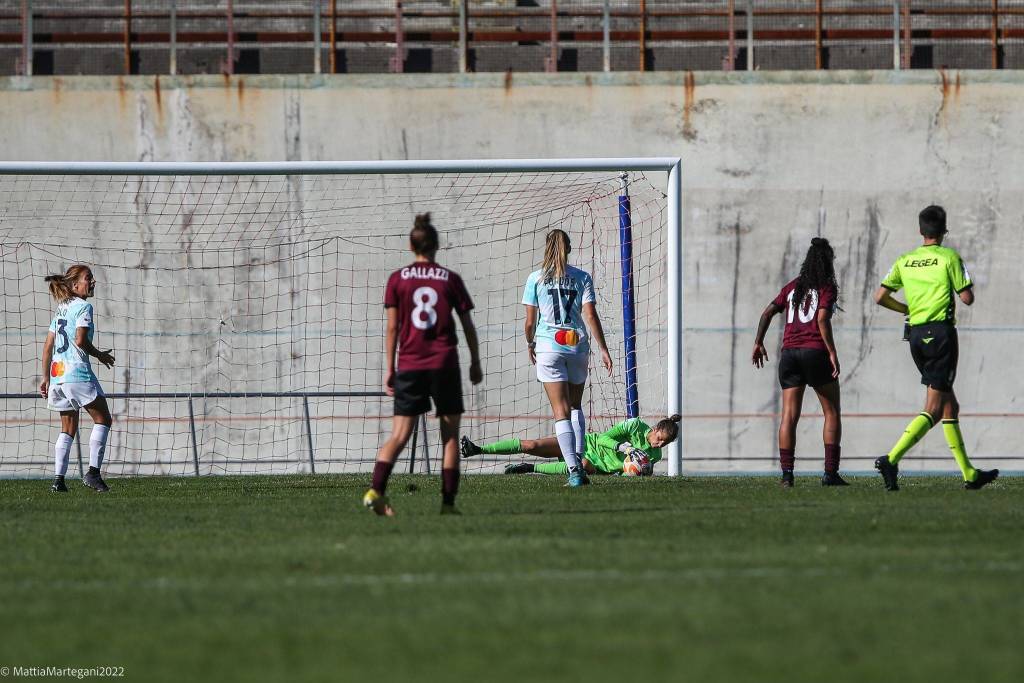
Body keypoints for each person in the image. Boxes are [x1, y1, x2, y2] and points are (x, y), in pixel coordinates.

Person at [363, 213, 483, 516]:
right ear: (437, 246)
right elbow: (467, 324)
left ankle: (376, 490)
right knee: (451, 436)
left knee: (399, 435)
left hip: (410, 364)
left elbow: (393, 328)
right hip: (444, 363)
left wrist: (390, 368)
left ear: (410, 245)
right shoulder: (450, 279)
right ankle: (447, 504)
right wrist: (475, 361)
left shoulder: (396, 279)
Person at [872, 205, 998, 491]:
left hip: (916, 335)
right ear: (944, 231)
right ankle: (891, 459)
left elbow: (879, 297)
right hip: (940, 334)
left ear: (920, 231)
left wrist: (907, 307)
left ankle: (969, 473)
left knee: (950, 405)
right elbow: (967, 298)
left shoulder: (906, 259)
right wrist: (961, 286)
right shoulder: (949, 257)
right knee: (933, 407)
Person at [752, 237, 845, 487]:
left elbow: (767, 312)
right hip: (814, 352)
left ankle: (786, 476)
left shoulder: (793, 287)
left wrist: (758, 342)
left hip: (790, 355)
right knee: (832, 411)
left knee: (788, 417)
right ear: (828, 263)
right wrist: (832, 352)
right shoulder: (827, 287)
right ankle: (830, 474)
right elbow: (823, 320)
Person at [523, 229, 613, 487]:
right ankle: (580, 460)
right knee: (575, 407)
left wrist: (531, 343)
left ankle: (574, 470)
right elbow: (591, 316)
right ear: (569, 249)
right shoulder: (582, 277)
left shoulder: (536, 279)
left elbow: (530, 322)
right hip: (576, 345)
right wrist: (603, 349)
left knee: (560, 412)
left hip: (549, 347)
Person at [39, 265, 115, 493]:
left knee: (68, 427)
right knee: (103, 419)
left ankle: (58, 481)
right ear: (75, 285)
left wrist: (45, 379)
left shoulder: (61, 308)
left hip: (57, 376)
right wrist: (100, 355)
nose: (92, 282)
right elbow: (80, 341)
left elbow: (48, 346)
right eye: (88, 278)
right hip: (77, 374)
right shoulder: (84, 307)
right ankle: (93, 473)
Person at [461, 415, 681, 477]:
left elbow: (630, 473)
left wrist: (630, 473)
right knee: (531, 444)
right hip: (585, 442)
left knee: (582, 465)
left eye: (664, 443)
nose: (659, 444)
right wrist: (626, 448)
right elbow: (604, 437)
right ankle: (477, 449)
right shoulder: (634, 426)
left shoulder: (655, 456)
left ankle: (529, 468)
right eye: (659, 438)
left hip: (596, 466)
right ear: (654, 428)